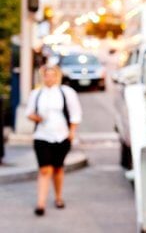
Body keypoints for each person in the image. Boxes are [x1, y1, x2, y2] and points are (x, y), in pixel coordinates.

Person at [25, 65, 82, 216]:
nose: (49, 78)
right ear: (43, 77)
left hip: (61, 135)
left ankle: (58, 197)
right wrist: (37, 117)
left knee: (58, 168)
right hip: (42, 135)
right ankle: (41, 203)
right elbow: (28, 112)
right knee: (44, 169)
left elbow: (75, 113)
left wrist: (72, 132)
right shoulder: (36, 93)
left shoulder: (66, 93)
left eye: (52, 75)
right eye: (46, 75)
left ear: (57, 77)